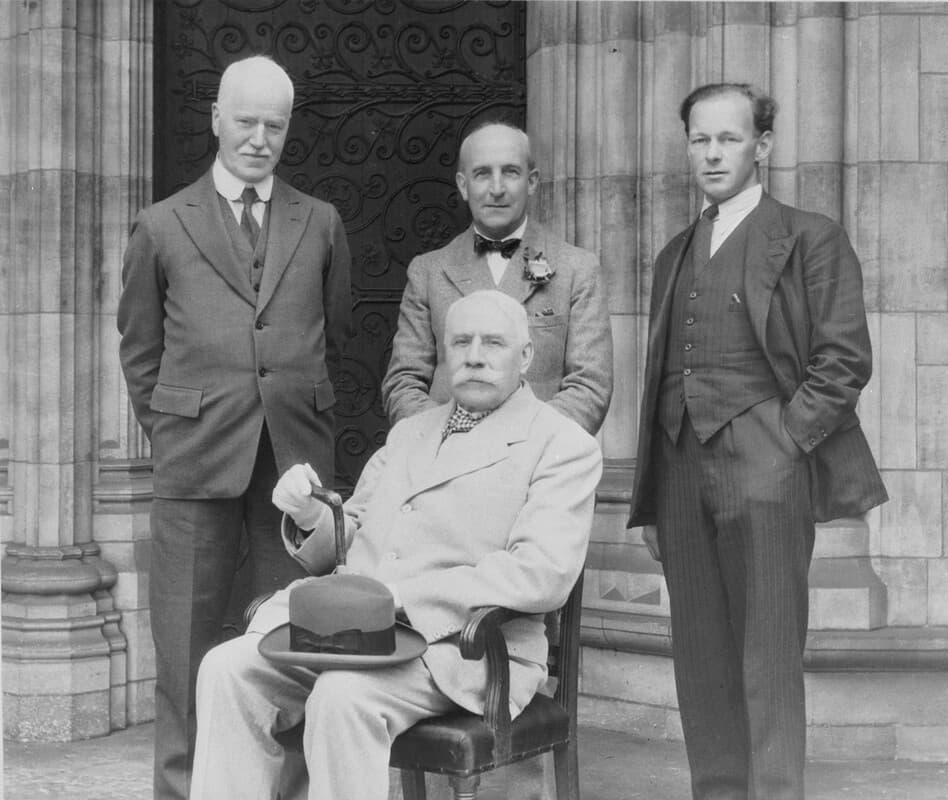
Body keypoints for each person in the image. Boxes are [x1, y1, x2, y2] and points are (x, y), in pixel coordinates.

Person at [189, 291, 603, 800]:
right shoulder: (410, 433)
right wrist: (308, 513)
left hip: (459, 650)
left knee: (344, 697)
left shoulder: (562, 445)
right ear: (443, 352)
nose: (474, 355)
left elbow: (543, 573)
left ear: (526, 357)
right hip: (351, 635)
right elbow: (349, 542)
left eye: (493, 342)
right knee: (226, 669)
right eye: (460, 341)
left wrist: (405, 597)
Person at [627, 83, 887, 800]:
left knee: (767, 654)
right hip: (680, 468)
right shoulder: (673, 254)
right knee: (699, 655)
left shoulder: (810, 236)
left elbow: (843, 361)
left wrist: (783, 445)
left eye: (728, 139)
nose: (711, 153)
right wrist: (650, 495)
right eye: (699, 140)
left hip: (765, 468)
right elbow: (657, 381)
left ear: (761, 147)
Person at [117, 55, 352, 800]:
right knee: (185, 646)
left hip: (294, 464)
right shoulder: (160, 225)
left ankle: (284, 790)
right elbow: (140, 350)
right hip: (195, 460)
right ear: (215, 117)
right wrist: (172, 433)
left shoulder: (319, 221)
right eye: (245, 121)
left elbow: (335, 334)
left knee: (290, 638)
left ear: (288, 129)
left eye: (274, 126)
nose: (258, 138)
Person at [381, 121, 613, 435]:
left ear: (531, 182)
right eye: (482, 174)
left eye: (510, 172)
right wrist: (454, 440)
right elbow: (403, 383)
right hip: (447, 460)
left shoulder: (577, 269)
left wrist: (516, 443)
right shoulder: (428, 272)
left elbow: (590, 386)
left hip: (538, 461)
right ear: (463, 185)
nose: (497, 188)